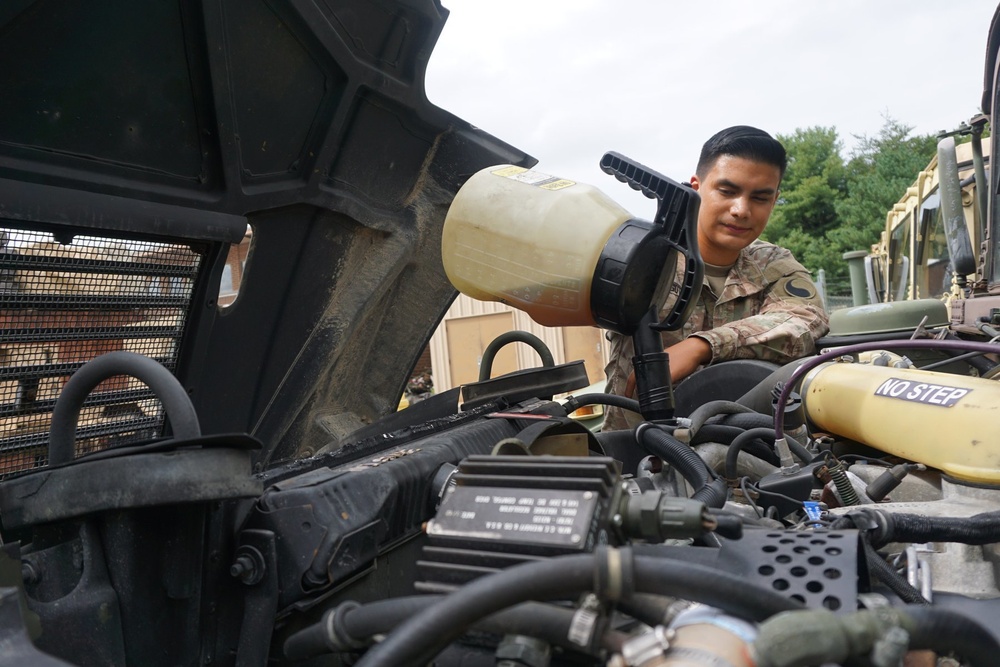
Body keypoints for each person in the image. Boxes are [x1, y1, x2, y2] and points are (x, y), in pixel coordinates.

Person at [602, 125, 829, 431]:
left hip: (752, 447)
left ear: (775, 200)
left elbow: (805, 320)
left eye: (760, 198)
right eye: (727, 191)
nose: (741, 210)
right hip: (639, 450)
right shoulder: (640, 257)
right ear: (696, 187)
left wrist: (702, 346)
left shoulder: (774, 263)